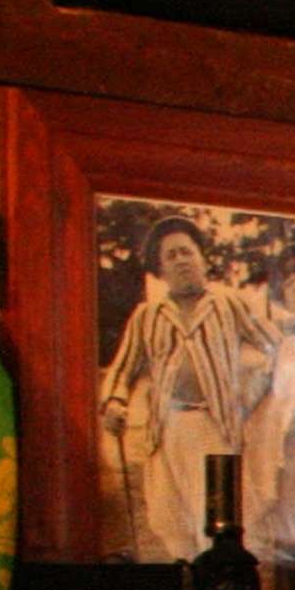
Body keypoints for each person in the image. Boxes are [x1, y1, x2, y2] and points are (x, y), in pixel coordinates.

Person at [98, 216, 277, 561]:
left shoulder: (228, 303)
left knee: (216, 517)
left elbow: (276, 347)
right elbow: (122, 368)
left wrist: (254, 391)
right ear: (160, 269)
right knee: (168, 515)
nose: (181, 260)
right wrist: (115, 403)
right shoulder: (147, 315)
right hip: (167, 429)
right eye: (171, 256)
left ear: (202, 258)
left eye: (187, 252)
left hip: (215, 426)